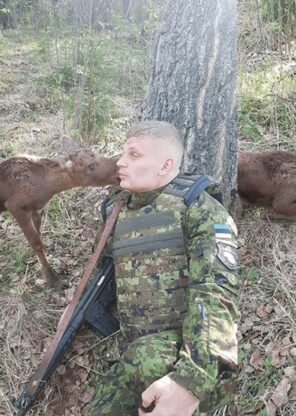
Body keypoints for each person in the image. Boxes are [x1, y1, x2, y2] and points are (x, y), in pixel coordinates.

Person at [84, 121, 240, 416]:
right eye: (122, 153)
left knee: (147, 359)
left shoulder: (200, 208)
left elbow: (216, 293)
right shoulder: (115, 211)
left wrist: (192, 379)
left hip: (192, 356)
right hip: (134, 356)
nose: (120, 161)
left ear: (166, 165)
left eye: (134, 155)